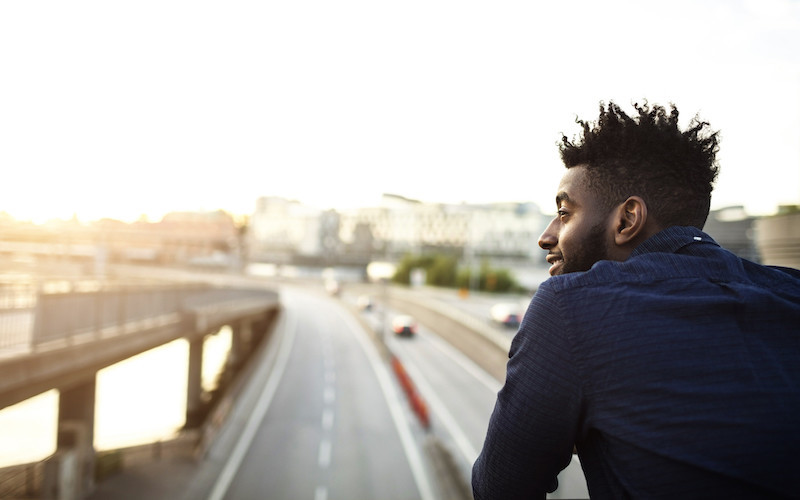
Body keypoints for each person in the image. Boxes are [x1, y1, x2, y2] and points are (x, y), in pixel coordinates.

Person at [471, 101, 800, 499]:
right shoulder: (789, 292)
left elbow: (499, 489)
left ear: (627, 220)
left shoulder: (570, 307)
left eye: (564, 212)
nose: (546, 235)